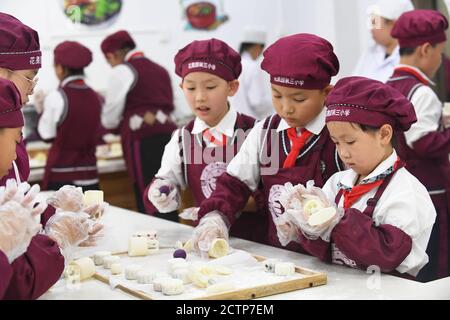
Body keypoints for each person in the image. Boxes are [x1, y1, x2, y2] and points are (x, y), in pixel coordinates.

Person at [190, 33, 344, 254]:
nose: (286, 108)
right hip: (280, 255)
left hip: (332, 260)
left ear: (326, 93)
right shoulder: (266, 131)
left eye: (298, 99)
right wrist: (216, 217)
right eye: (277, 95)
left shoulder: (340, 133)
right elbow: (235, 182)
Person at [274, 76, 436, 279]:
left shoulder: (406, 192)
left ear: (384, 135)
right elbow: (324, 248)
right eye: (336, 142)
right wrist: (303, 226)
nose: (343, 153)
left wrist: (337, 222)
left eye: (350, 141)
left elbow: (388, 255)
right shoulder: (337, 183)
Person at [143, 38, 265, 241]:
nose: (199, 97)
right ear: (182, 87)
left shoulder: (257, 132)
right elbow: (167, 178)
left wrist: (221, 209)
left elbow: (271, 197)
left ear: (232, 87)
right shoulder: (182, 138)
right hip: (206, 243)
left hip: (255, 243)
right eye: (191, 88)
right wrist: (162, 191)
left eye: (210, 87)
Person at [386, 9, 450, 281]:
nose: (441, 59)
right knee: (434, 262)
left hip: (401, 187)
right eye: (440, 51)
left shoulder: (390, 85)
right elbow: (421, 141)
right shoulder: (421, 91)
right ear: (426, 49)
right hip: (429, 190)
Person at [100, 30, 177, 213]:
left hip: (142, 140)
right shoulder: (161, 69)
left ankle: (152, 239)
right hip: (169, 137)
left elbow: (109, 119)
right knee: (168, 192)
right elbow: (178, 109)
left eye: (108, 61)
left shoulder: (122, 71)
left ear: (112, 55)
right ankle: (174, 235)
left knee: (148, 194)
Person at [37, 41, 102, 191]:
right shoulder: (95, 96)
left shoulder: (57, 96)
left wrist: (40, 110)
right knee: (89, 214)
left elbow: (46, 135)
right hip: (90, 173)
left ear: (60, 68)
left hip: (62, 174)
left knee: (60, 215)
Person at [352, 0, 413, 82]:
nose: (371, 29)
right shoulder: (370, 52)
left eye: (375, 23)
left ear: (394, 24)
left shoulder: (408, 56)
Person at [229, 27, 273, 120]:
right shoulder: (252, 67)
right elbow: (257, 102)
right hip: (248, 123)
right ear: (257, 46)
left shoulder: (232, 64)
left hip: (231, 120)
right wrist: (274, 104)